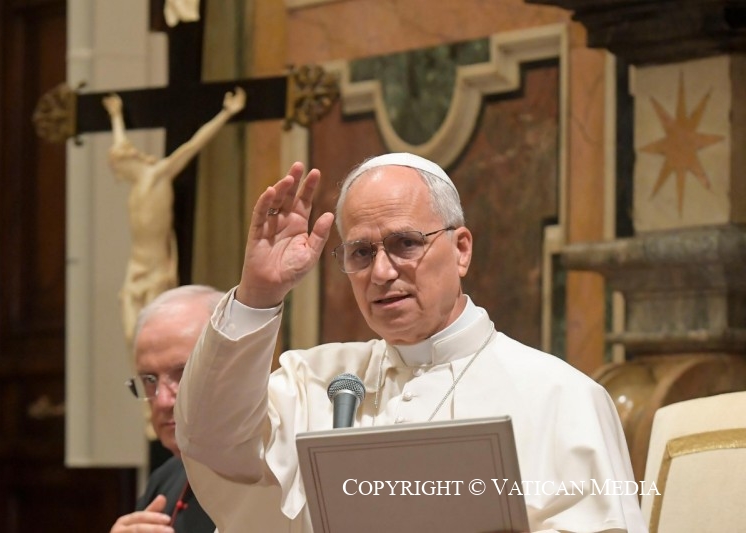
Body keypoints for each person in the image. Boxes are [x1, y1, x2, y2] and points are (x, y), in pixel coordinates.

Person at [175, 153, 647, 532]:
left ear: (461, 249)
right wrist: (259, 294)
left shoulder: (560, 396)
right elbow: (211, 443)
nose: (381, 273)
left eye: (405, 243)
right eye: (361, 252)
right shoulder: (316, 382)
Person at [102, 87, 246, 347]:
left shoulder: (159, 175)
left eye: (119, 168)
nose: (118, 174)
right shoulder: (136, 184)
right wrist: (116, 115)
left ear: (128, 163)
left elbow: (194, 145)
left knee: (155, 335)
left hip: (157, 268)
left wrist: (226, 113)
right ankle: (146, 381)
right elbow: (119, 144)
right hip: (136, 267)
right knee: (129, 335)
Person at [111, 285, 224, 533]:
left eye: (183, 373)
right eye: (149, 380)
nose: (162, 401)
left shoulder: (278, 476)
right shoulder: (166, 478)